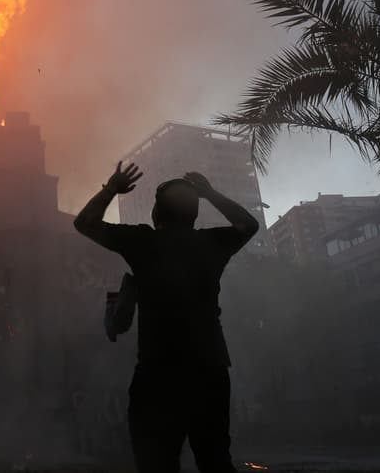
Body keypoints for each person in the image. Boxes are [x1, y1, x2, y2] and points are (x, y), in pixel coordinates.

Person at [74, 162, 259, 473]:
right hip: (209, 371)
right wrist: (210, 193)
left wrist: (110, 190)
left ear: (156, 213)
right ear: (193, 214)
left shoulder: (144, 242)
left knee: (156, 463)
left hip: (158, 374)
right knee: (215, 461)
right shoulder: (210, 244)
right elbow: (248, 225)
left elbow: (85, 223)